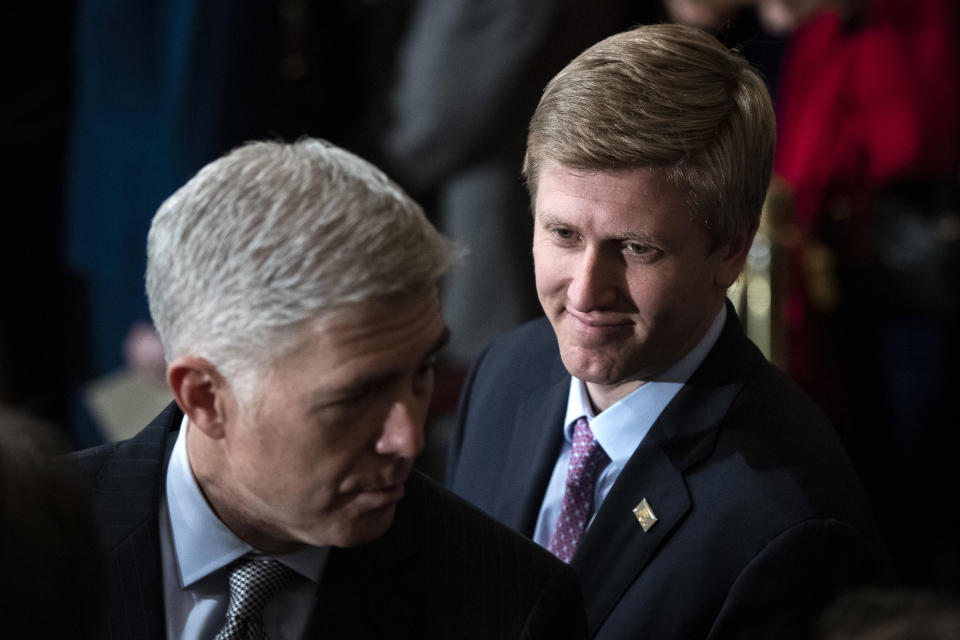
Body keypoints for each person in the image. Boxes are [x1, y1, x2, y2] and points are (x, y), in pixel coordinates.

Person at [446, 24, 883, 639]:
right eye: (563, 235)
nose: (584, 292)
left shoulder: (789, 525)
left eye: (635, 248)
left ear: (730, 250)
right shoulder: (502, 375)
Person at [71, 139, 588, 639]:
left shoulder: (513, 606)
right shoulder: (23, 543)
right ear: (204, 397)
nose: (408, 440)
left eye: (422, 372)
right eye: (356, 397)